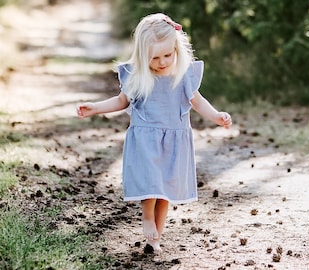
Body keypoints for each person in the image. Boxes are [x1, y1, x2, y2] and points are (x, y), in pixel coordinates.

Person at [77, 13, 232, 253]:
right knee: (151, 181)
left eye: (167, 55)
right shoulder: (139, 77)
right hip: (146, 140)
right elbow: (121, 101)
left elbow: (198, 102)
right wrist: (95, 108)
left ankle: (155, 238)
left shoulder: (183, 75)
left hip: (174, 141)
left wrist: (216, 116)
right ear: (142, 55)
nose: (162, 62)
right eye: (155, 57)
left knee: (165, 191)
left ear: (176, 49)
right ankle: (146, 216)